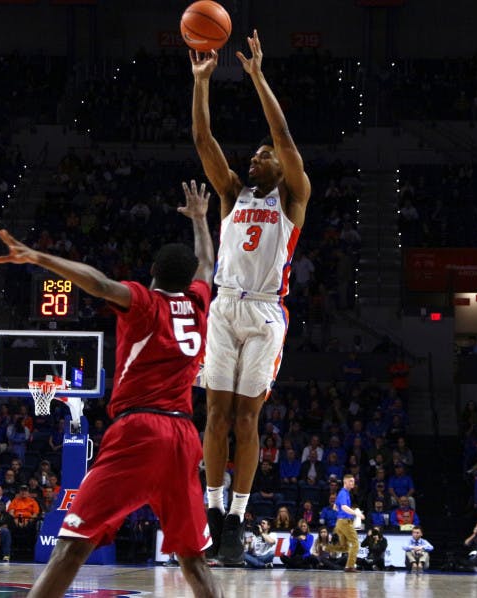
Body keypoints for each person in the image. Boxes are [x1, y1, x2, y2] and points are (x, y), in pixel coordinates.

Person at [0, 181, 220, 598]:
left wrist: (38, 256)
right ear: (188, 280)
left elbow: (98, 283)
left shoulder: (144, 302)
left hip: (140, 432)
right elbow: (207, 264)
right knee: (193, 559)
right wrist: (200, 221)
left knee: (71, 546)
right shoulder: (198, 303)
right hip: (185, 437)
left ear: (152, 273)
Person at [190, 30, 312, 565]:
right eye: (256, 154)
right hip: (224, 305)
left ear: (282, 167)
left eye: (265, 155)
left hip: (264, 312)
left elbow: (282, 134)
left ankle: (238, 517)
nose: (257, 157)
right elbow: (202, 141)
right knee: (214, 416)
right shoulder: (231, 193)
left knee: (246, 420)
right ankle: (215, 513)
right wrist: (201, 84)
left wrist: (258, 76)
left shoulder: (293, 196)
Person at [326, 473, 363, 572]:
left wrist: (344, 513)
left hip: (341, 521)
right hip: (345, 522)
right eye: (350, 481)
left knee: (344, 546)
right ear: (345, 482)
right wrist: (356, 513)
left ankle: (326, 547)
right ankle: (350, 566)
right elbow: (343, 507)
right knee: (355, 543)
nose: (352, 483)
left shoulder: (343, 493)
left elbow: (335, 507)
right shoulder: (343, 493)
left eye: (353, 481)